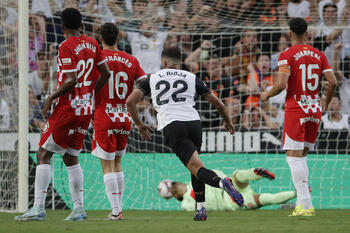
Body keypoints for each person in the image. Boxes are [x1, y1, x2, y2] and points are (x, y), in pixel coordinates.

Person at [126, 47, 245, 221]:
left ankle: (222, 182)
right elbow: (219, 103)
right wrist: (227, 120)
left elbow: (130, 101)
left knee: (196, 167)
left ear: (164, 63)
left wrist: (139, 124)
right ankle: (201, 209)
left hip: (173, 125)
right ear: (180, 62)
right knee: (196, 165)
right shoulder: (191, 77)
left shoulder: (152, 78)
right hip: (194, 123)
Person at [15, 8, 111, 221]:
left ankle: (38, 208)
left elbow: (71, 79)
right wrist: (91, 93)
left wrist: (50, 98)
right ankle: (79, 209)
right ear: (82, 25)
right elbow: (106, 73)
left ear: (62, 27)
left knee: (43, 153)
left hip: (67, 108)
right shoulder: (93, 43)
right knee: (70, 157)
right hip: (85, 109)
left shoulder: (66, 45)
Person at [261, 17, 337, 217]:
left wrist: (265, 94)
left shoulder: (286, 54)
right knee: (301, 157)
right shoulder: (319, 54)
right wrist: (325, 103)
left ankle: (306, 205)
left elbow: (281, 84)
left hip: (296, 108)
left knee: (293, 158)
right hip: (314, 109)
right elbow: (333, 81)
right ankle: (302, 205)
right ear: (307, 33)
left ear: (289, 34)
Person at [91, 23, 147, 220]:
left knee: (107, 167)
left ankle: (116, 211)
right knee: (117, 163)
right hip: (124, 117)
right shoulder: (131, 60)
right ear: (118, 38)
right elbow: (144, 82)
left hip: (103, 115)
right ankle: (118, 209)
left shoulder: (97, 59)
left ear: (99, 38)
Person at [164, 168, 297, 211]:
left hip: (228, 190)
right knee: (266, 199)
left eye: (175, 183)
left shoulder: (195, 179)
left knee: (237, 177)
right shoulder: (185, 204)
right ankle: (297, 193)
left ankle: (255, 172)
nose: (177, 184)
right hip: (229, 202)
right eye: (174, 186)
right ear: (175, 195)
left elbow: (216, 173)